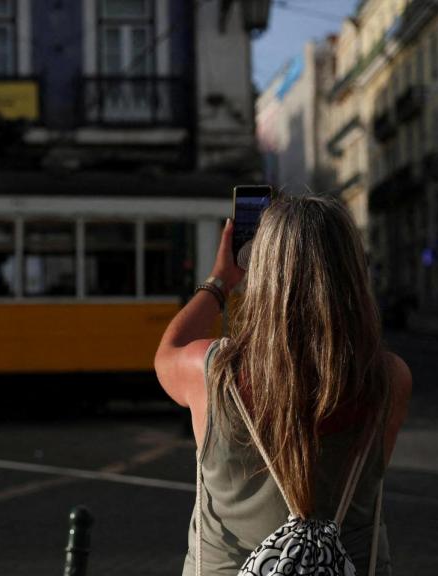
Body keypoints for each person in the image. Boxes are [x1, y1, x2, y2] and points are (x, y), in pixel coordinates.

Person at [153, 196, 412, 576]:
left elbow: (166, 353)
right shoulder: (389, 378)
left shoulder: (212, 373)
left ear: (263, 270)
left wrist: (220, 282)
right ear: (354, 273)